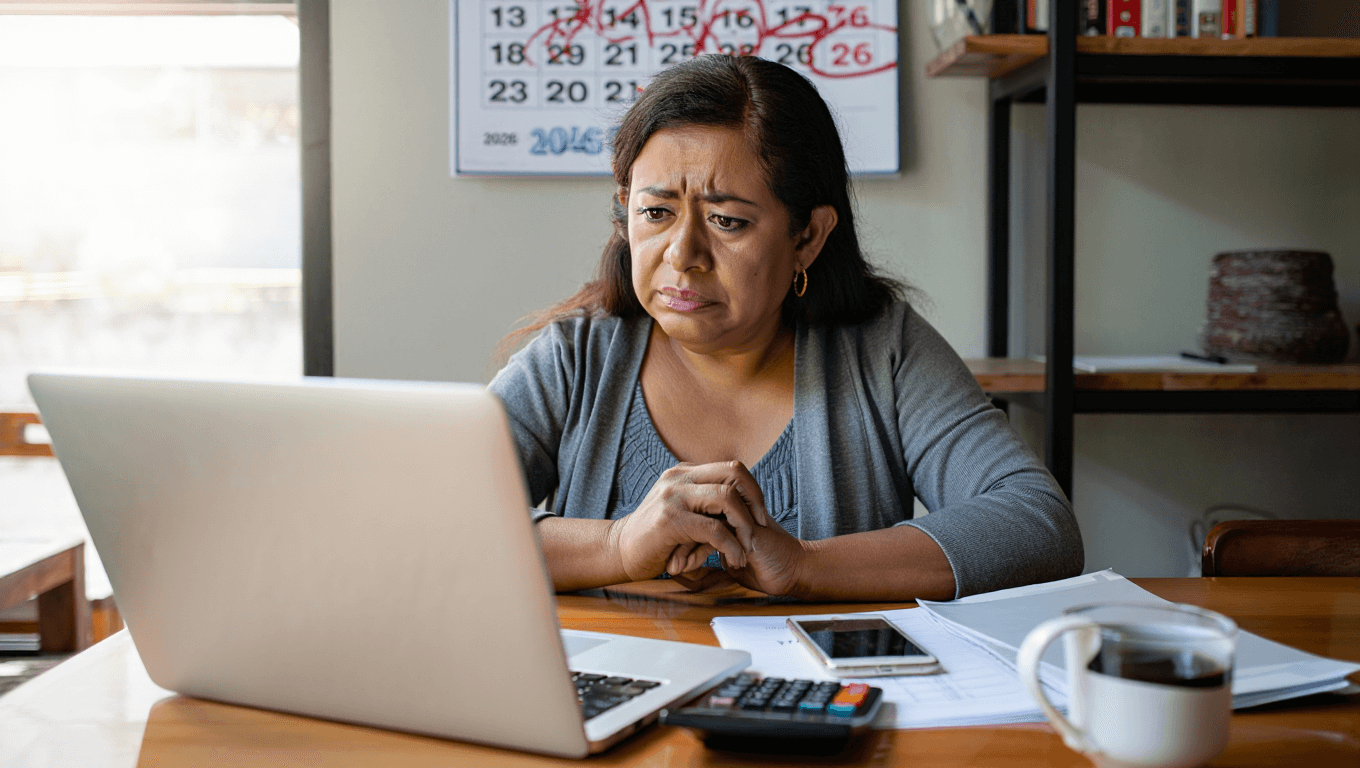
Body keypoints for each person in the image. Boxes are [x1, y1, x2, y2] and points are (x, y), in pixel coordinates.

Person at [489, 55, 1082, 601]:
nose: (682, 254)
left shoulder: (883, 349)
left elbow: (1037, 522)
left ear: (808, 236)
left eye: (726, 220)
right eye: (655, 212)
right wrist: (619, 545)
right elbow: (427, 519)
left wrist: (803, 565)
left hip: (826, 704)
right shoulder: (576, 355)